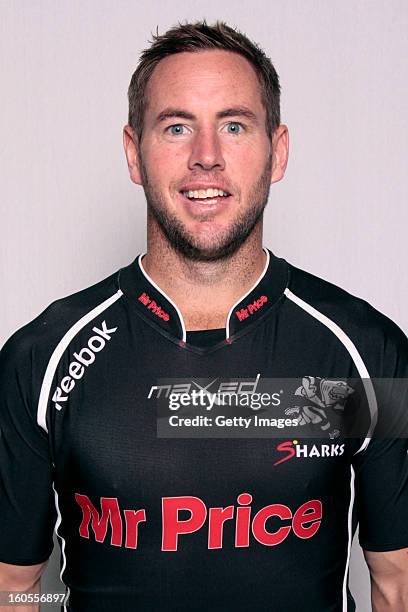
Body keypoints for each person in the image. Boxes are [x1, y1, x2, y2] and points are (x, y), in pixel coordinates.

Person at [0, 19, 407, 612]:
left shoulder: (364, 356)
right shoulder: (39, 360)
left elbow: (396, 583)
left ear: (278, 151)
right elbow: (15, 590)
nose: (207, 157)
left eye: (235, 126)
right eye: (176, 127)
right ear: (134, 154)